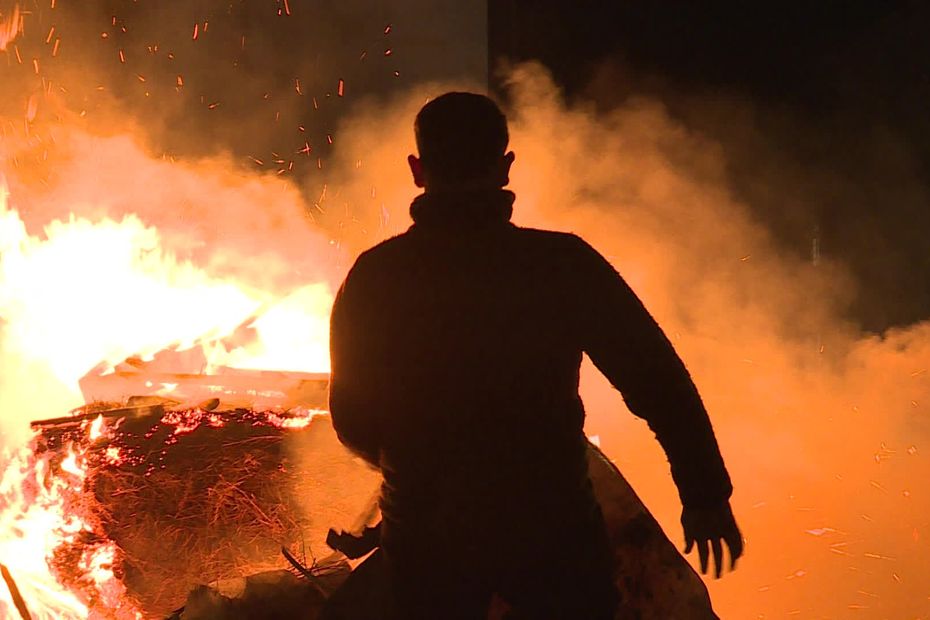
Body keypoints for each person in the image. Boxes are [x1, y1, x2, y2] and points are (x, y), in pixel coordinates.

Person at [328, 92, 742, 619]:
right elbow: (656, 380)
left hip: (429, 542)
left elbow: (352, 418)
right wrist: (705, 494)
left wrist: (412, 472)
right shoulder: (561, 264)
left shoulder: (376, 277)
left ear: (417, 170)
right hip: (552, 531)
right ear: (505, 167)